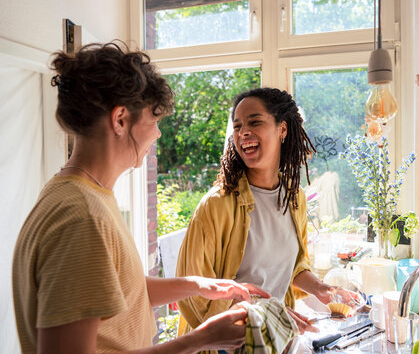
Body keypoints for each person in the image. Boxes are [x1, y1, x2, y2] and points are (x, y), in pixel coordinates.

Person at [11, 42, 270, 354]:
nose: (158, 134)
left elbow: (123, 292)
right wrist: (199, 339)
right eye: (154, 119)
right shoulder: (82, 218)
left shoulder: (79, 194)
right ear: (120, 119)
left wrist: (199, 285)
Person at [175, 88, 361, 337]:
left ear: (282, 129)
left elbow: (294, 266)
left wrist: (323, 289)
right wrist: (265, 314)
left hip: (276, 335)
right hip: (227, 343)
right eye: (238, 126)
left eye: (255, 122)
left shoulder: (295, 198)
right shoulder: (216, 205)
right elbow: (194, 294)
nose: (243, 133)